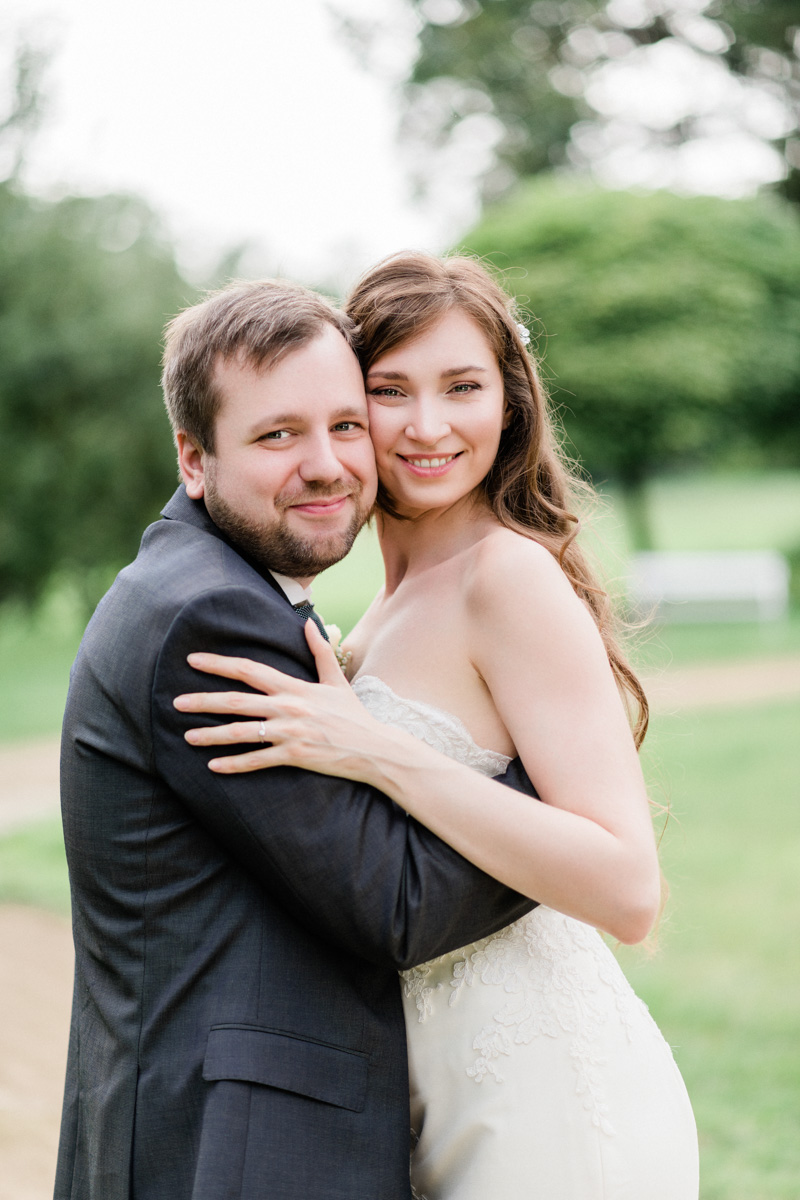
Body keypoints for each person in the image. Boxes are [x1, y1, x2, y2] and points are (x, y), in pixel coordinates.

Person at [175, 253, 700, 1199]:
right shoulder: (376, 611)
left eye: (463, 387)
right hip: (430, 1103)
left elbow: (628, 890)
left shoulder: (509, 580)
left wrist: (377, 751)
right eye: (389, 391)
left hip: (547, 1105)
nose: (427, 427)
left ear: (510, 402)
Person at [55, 278, 542, 1200]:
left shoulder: (198, 582)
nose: (326, 465)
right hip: (239, 1153)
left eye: (345, 425)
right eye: (278, 435)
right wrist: (546, 781)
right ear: (195, 459)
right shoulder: (212, 617)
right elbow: (400, 905)